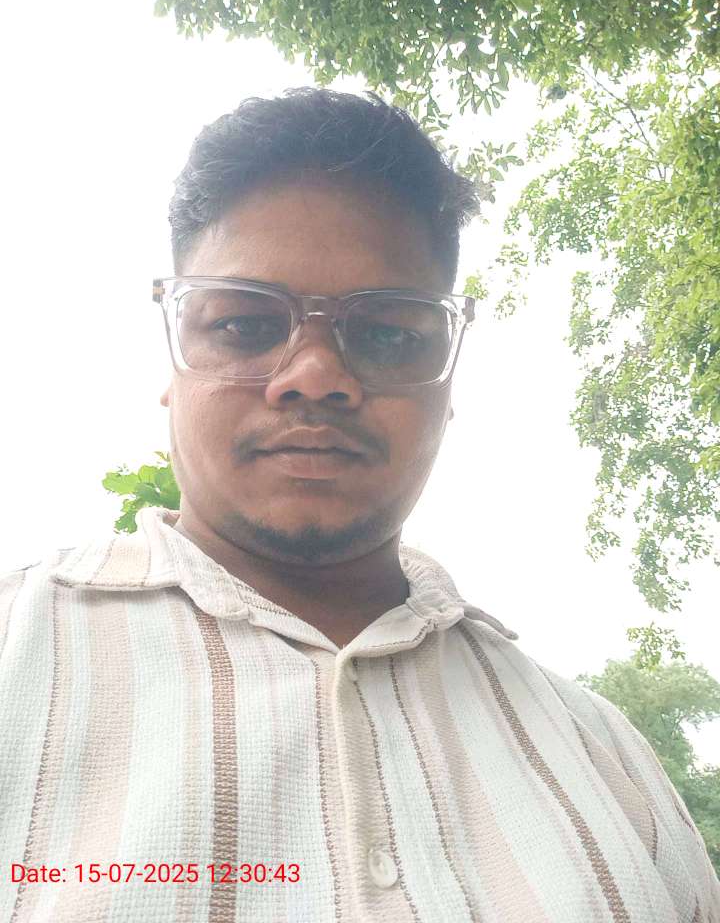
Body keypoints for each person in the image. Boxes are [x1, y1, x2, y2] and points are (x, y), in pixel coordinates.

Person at [0, 87, 717, 923]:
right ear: (172, 365)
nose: (315, 376)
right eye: (245, 325)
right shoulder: (16, 651)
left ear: (448, 386)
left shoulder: (607, 757)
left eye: (385, 333)